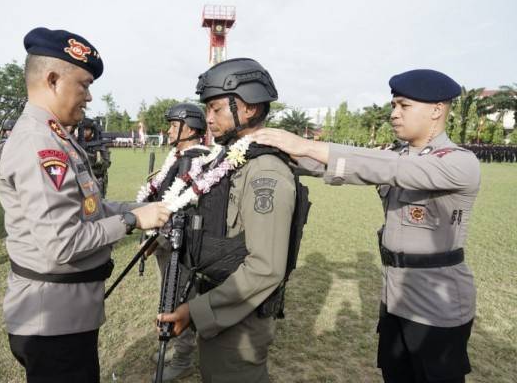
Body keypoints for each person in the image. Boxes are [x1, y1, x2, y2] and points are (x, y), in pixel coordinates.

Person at [253, 69, 480, 383]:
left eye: (403, 106)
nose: (393, 114)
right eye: (393, 106)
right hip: (396, 297)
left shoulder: (458, 161)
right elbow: (341, 166)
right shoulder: (396, 156)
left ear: (437, 110)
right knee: (395, 375)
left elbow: (393, 168)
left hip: (436, 305)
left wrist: (306, 144)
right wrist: (268, 151)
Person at [0, 27, 171, 383]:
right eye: (84, 84)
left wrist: (143, 208)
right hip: (53, 322)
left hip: (64, 314)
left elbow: (90, 207)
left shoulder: (56, 136)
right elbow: (63, 242)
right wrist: (131, 221)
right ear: (53, 80)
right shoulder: (39, 143)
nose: (89, 97)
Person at [158, 58, 298, 382]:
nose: (208, 119)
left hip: (240, 322)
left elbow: (265, 268)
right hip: (221, 306)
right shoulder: (232, 159)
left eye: (216, 109)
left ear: (248, 108)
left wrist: (196, 312)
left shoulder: (264, 171)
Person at [143, 102, 209, 381]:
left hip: (184, 246)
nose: (168, 130)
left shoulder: (199, 159)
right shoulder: (177, 157)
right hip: (165, 241)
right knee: (167, 295)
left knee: (182, 297)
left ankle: (183, 358)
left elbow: (188, 205)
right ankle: (172, 345)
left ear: (190, 128)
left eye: (174, 125)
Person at [77, 117, 111, 198]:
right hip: (81, 180)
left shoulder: (99, 144)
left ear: (92, 131)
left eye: (87, 129)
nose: (85, 132)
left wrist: (93, 157)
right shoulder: (76, 142)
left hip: (97, 180)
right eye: (83, 129)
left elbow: (106, 164)